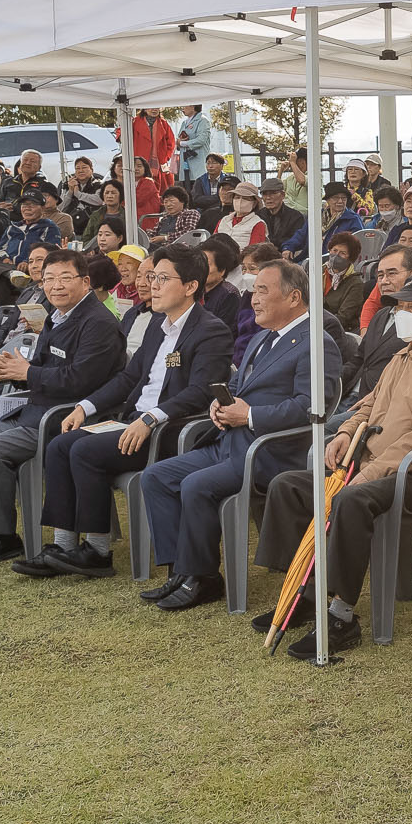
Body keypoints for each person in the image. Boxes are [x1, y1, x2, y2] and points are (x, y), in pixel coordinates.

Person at [254, 274, 412, 657]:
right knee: (287, 485)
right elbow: (367, 406)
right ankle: (304, 591)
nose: (401, 314)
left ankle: (341, 615)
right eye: (400, 307)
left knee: (350, 501)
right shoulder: (402, 355)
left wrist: (370, 472)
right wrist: (346, 433)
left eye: (411, 308)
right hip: (373, 464)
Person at [130, 259, 343, 610]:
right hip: (229, 440)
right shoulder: (263, 337)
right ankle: (179, 571)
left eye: (262, 290)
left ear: (293, 298)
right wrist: (221, 404)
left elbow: (311, 408)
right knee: (155, 477)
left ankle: (203, 578)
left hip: (269, 452)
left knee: (195, 485)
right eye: (253, 290)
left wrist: (250, 415)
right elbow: (240, 386)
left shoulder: (316, 342)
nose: (253, 299)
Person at [15, 248, 233, 580]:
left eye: (162, 278)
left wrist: (151, 418)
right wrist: (83, 407)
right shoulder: (158, 325)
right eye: (151, 277)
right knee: (61, 443)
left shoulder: (210, 330)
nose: (152, 285)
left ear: (190, 286)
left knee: (85, 451)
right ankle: (64, 545)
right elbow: (130, 378)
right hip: (132, 420)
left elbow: (201, 392)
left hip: (169, 429)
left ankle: (97, 551)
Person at [0, 250, 129, 565]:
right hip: (34, 412)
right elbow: (40, 368)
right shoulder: (56, 317)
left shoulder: (98, 323)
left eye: (65, 278)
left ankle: (2, 536)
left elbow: (82, 381)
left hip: (65, 420)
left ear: (85, 282)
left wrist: (26, 372)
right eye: (48, 279)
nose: (55, 286)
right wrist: (11, 371)